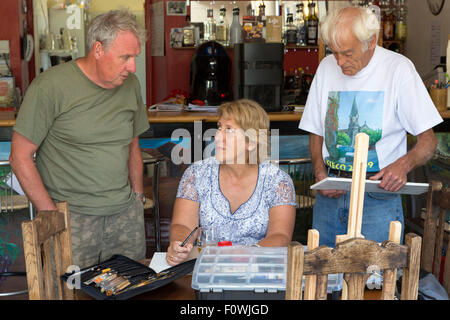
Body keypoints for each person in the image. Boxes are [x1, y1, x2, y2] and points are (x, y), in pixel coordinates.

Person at [10, 10, 149, 268]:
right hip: (73, 217)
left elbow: (132, 146)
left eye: (135, 57)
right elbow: (19, 157)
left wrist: (138, 198)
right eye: (125, 57)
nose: (132, 67)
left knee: (130, 289)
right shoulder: (50, 86)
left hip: (124, 216)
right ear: (98, 49)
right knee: (70, 293)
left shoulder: (131, 85)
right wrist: (52, 216)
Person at [299, 6, 443, 247]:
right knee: (323, 276)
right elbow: (317, 131)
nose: (340, 62)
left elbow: (429, 141)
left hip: (378, 193)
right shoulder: (326, 68)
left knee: (376, 278)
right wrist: (319, 171)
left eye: (347, 53)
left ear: (371, 41)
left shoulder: (399, 69)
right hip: (331, 191)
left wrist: (402, 165)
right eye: (334, 53)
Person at [166, 99, 296, 266]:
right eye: (219, 127)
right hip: (207, 269)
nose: (218, 137)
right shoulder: (197, 173)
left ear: (251, 142)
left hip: (259, 271)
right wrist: (180, 245)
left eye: (229, 130)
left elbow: (280, 236)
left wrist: (242, 258)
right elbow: (182, 224)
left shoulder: (278, 181)